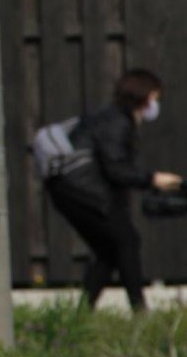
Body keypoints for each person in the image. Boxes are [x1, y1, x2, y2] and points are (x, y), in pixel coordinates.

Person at [46, 68, 182, 312]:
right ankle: (139, 311)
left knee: (108, 250)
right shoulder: (118, 122)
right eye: (154, 98)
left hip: (70, 191)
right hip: (85, 192)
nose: (155, 105)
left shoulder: (110, 118)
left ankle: (83, 314)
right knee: (127, 241)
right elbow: (116, 170)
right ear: (144, 97)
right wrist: (152, 179)